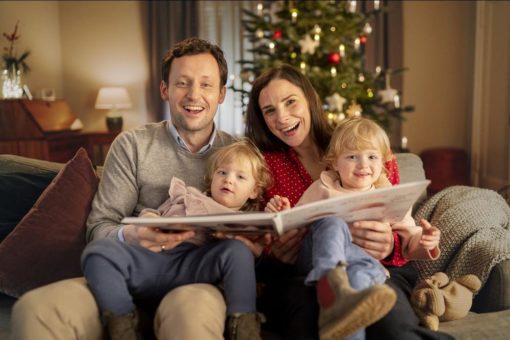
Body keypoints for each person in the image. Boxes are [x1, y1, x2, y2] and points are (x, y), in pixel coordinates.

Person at [11, 37, 239, 340]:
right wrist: (131, 234)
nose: (194, 94)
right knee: (35, 309)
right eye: (182, 83)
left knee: (190, 321)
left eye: (206, 85)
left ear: (221, 93)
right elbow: (98, 228)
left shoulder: (239, 153)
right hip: (124, 274)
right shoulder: (132, 145)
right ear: (165, 90)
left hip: (195, 282)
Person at [244, 64, 453, 340]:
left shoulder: (363, 144)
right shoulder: (263, 165)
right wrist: (277, 254)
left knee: (392, 326)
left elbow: (401, 224)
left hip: (374, 267)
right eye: (269, 110)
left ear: (310, 99)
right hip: (303, 277)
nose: (282, 117)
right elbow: (261, 240)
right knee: (309, 322)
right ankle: (333, 290)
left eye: (290, 101)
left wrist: (390, 245)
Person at [264, 116, 441, 339]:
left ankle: (341, 316)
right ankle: (330, 281)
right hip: (316, 262)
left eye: (372, 156)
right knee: (331, 222)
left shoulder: (388, 195)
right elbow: (297, 221)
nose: (363, 164)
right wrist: (282, 212)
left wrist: (425, 241)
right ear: (335, 163)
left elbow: (408, 240)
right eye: (352, 157)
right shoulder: (323, 187)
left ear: (384, 161)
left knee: (358, 284)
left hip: (363, 266)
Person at [82, 139, 271, 339]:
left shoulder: (245, 220)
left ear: (254, 191)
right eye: (222, 172)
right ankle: (122, 326)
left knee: (238, 251)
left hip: (195, 267)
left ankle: (245, 329)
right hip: (153, 260)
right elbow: (154, 213)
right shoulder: (186, 195)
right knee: (98, 251)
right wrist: (149, 218)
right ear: (212, 177)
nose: (228, 180)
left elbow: (252, 250)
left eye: (240, 177)